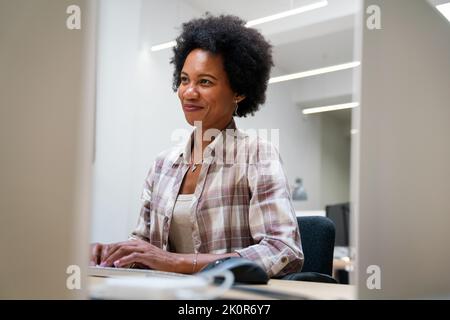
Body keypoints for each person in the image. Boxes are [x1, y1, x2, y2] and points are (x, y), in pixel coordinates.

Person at [90, 14, 303, 278]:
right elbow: (146, 249)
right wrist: (115, 255)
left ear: (239, 91)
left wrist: (177, 262)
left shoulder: (257, 155)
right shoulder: (162, 165)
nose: (189, 92)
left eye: (205, 82)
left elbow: (282, 250)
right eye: (184, 79)